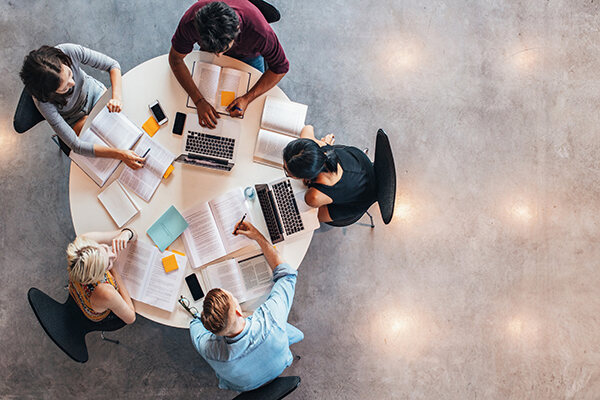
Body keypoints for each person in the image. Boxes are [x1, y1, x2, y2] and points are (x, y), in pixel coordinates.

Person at [189, 221, 303, 392]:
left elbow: (194, 324)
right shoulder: (270, 319)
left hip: (244, 386)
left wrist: (203, 316)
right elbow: (287, 275)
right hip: (280, 363)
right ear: (237, 310)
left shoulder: (209, 349)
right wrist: (258, 237)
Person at [19, 44, 145, 169]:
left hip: (94, 95)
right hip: (74, 119)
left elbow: (113, 65)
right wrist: (120, 155)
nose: (73, 83)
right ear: (51, 94)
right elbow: (76, 145)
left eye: (69, 73)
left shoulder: (68, 51)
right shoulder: (43, 102)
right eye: (64, 88)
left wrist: (116, 98)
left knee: (128, 124)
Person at [169, 0, 289, 128]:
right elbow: (175, 59)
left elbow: (280, 68)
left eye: (223, 49)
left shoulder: (260, 33)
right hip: (207, 53)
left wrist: (247, 98)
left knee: (252, 115)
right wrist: (198, 100)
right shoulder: (190, 22)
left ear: (237, 29)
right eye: (214, 50)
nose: (218, 56)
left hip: (249, 57)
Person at [283, 125, 378, 223]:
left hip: (360, 200)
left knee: (311, 218)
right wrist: (323, 143)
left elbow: (316, 213)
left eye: (287, 171)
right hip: (362, 165)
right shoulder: (320, 147)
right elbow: (308, 128)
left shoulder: (313, 197)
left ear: (305, 177)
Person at [66, 228, 137, 324]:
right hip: (96, 312)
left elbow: (131, 233)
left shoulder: (84, 241)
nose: (113, 255)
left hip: (76, 288)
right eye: (108, 264)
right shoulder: (106, 292)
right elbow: (131, 318)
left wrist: (127, 234)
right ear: (99, 276)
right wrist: (115, 270)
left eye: (105, 248)